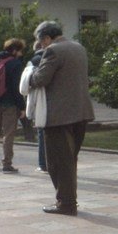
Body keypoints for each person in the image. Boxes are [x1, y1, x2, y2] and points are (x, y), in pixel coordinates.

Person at [29, 21, 94, 216]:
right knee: (69, 160)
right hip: (81, 112)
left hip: (59, 115)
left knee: (57, 163)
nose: (42, 47)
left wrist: (28, 76)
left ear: (47, 38)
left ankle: (66, 203)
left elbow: (40, 79)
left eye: (41, 43)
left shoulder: (53, 51)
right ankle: (67, 201)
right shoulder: (78, 47)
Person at [0, 38, 26, 173]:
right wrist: (22, 106)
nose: (21, 54)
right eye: (20, 51)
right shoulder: (15, 64)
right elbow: (15, 87)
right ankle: (7, 164)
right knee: (8, 134)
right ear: (14, 50)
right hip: (9, 103)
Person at [20, 41, 48, 173]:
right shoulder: (55, 59)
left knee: (42, 132)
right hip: (55, 101)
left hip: (39, 101)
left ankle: (43, 164)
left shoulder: (33, 62)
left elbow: (24, 86)